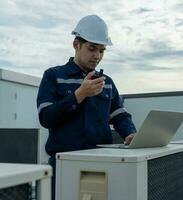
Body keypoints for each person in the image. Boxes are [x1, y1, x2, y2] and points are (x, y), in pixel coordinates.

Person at [36, 15, 136, 200]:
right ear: (76, 44)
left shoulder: (107, 83)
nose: (97, 56)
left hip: (103, 164)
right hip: (65, 165)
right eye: (92, 49)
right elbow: (46, 117)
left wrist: (130, 133)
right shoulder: (53, 76)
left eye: (101, 50)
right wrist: (79, 94)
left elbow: (120, 115)